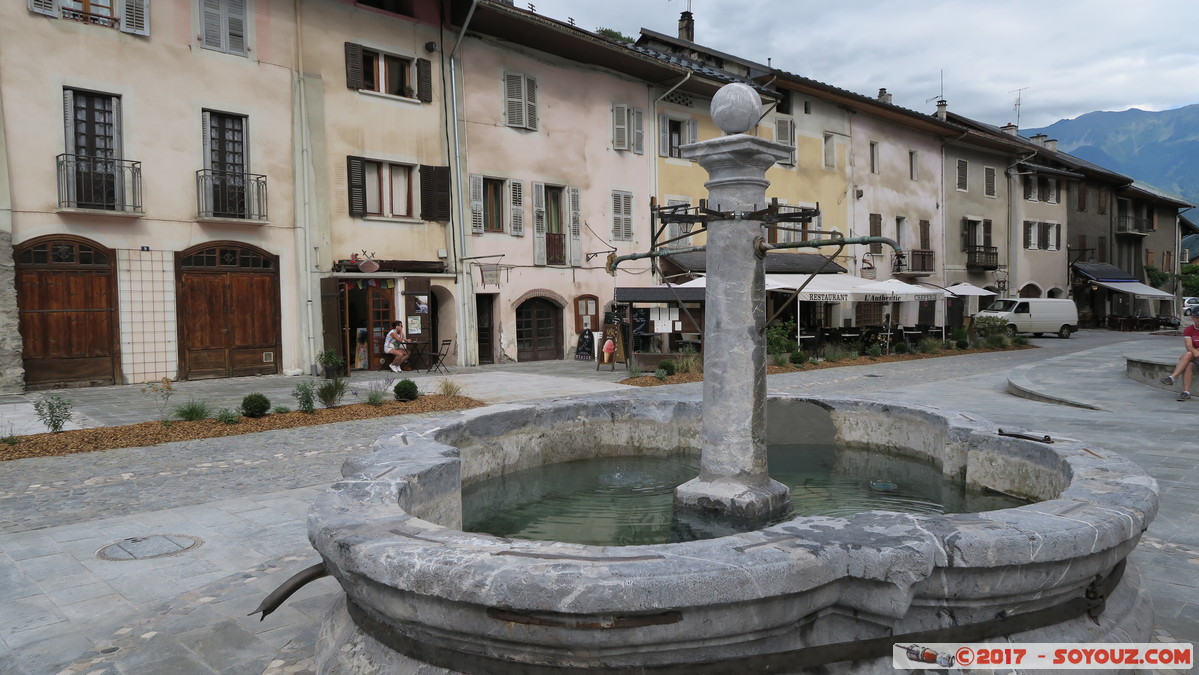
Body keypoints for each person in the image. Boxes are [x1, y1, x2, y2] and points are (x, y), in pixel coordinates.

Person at [1161, 312, 1199, 400]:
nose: (1198, 319)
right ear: (1192, 318)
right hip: (1194, 355)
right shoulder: (1189, 330)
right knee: (1188, 364)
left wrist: (1195, 351)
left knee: (1186, 356)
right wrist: (1195, 352)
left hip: (1194, 354)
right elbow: (1188, 346)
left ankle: (1173, 377)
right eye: (1197, 317)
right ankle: (1186, 392)